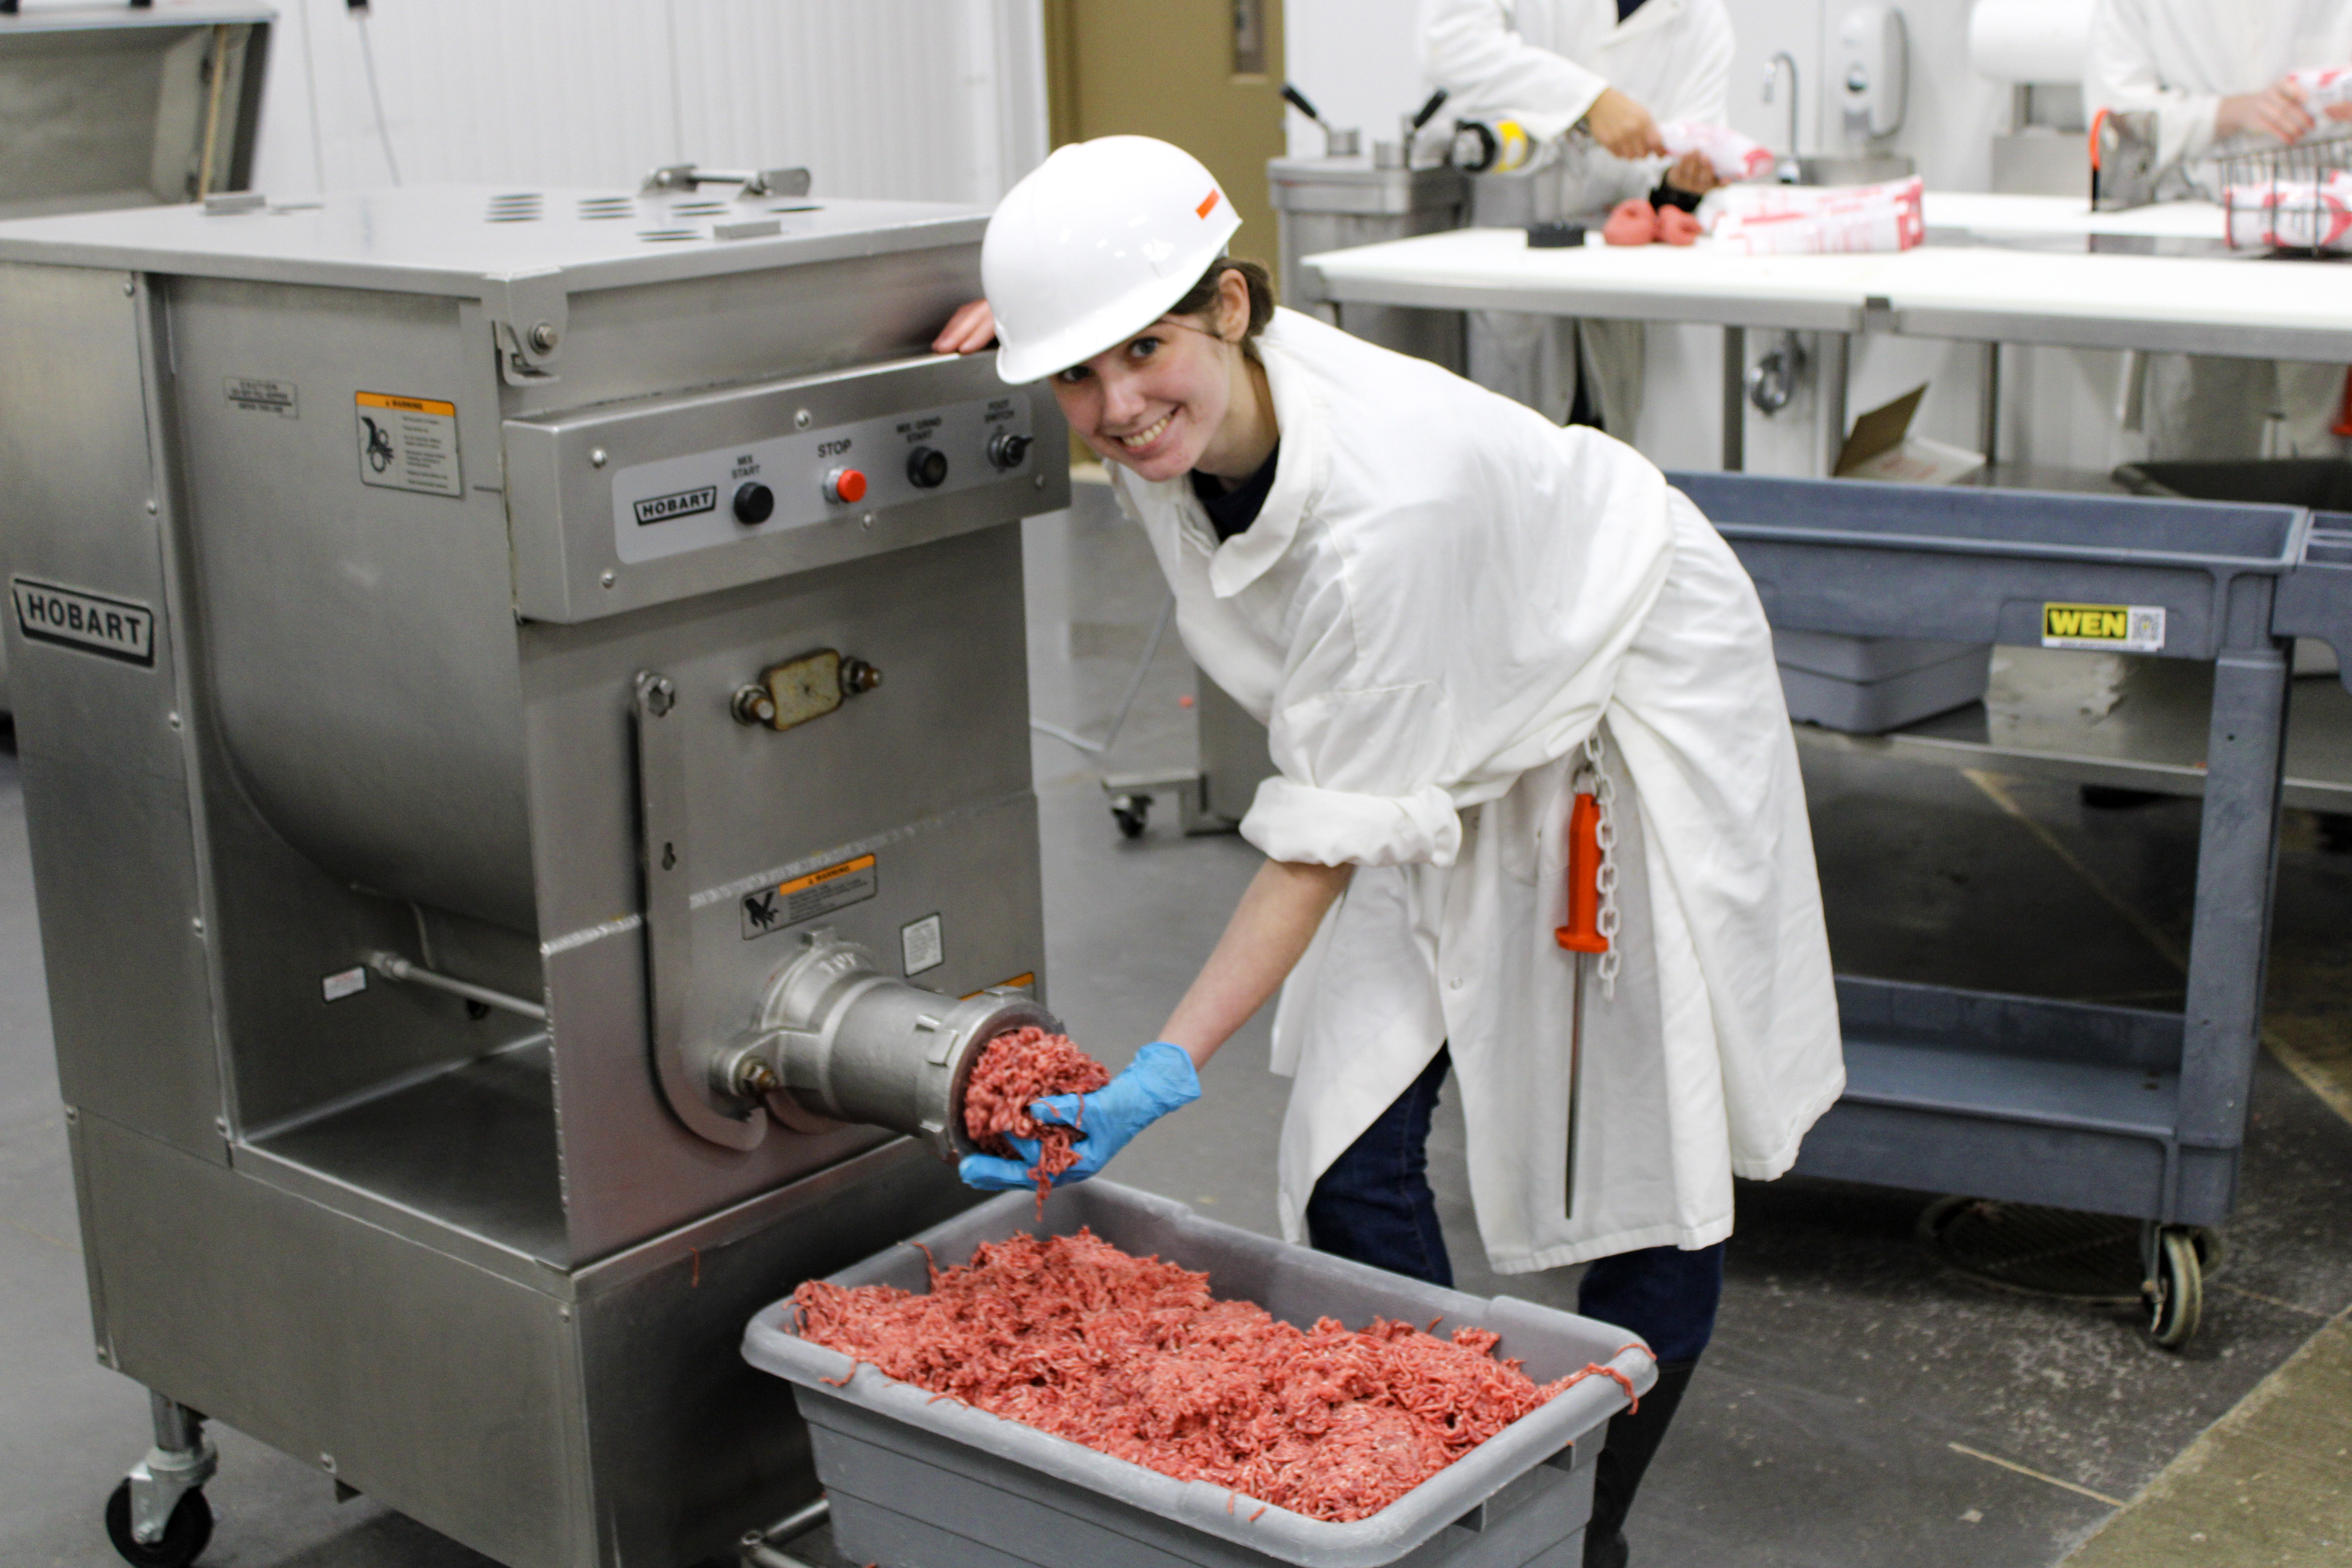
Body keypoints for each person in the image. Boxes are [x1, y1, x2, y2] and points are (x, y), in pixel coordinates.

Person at [938, 137, 1843, 1568]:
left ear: (1231, 306)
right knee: (1347, 1145)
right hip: (1420, 701)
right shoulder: (1164, 406)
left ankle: (1571, 1529)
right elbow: (1349, 773)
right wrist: (1028, 318)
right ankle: (1453, 1483)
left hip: (1614, 685)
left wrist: (1163, 1066)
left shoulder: (1385, 511)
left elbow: (1312, 854)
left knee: (1649, 1150)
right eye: (1074, 375)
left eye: (1146, 349)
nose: (1115, 407)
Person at [1418, 0, 1738, 435]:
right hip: (1490, 267)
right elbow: (1450, 44)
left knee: (1599, 461)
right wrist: (1589, 100)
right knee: (1487, 452)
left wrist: (1683, 186)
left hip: (1608, 294)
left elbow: (1678, 177)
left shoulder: (1700, 19)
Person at [2086, 0, 2352, 457]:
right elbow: (2114, 120)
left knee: (2329, 452)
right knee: (2199, 450)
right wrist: (2226, 113)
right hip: (2198, 235)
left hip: (2332, 235)